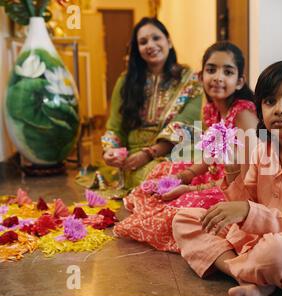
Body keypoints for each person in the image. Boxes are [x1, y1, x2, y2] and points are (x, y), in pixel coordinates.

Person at [172, 60, 282, 296]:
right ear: (261, 110)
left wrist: (248, 213)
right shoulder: (263, 149)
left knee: (280, 253)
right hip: (258, 237)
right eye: (269, 101)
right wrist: (233, 174)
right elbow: (249, 203)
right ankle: (251, 276)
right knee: (185, 219)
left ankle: (250, 271)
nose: (279, 109)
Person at [113, 42, 258, 252]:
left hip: (237, 190)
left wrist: (191, 188)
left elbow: (245, 179)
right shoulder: (212, 109)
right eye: (211, 70)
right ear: (200, 77)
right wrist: (186, 175)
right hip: (217, 178)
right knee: (161, 174)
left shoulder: (244, 114)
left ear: (239, 82)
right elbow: (211, 157)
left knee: (176, 209)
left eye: (227, 72)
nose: (218, 77)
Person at [76, 17, 202, 196]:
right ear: (138, 50)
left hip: (177, 151)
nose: (150, 45)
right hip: (135, 159)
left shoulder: (192, 81)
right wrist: (110, 151)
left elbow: (187, 124)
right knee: (160, 179)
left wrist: (150, 153)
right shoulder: (125, 81)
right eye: (143, 42)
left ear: (169, 41)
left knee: (192, 173)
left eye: (156, 38)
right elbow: (115, 127)